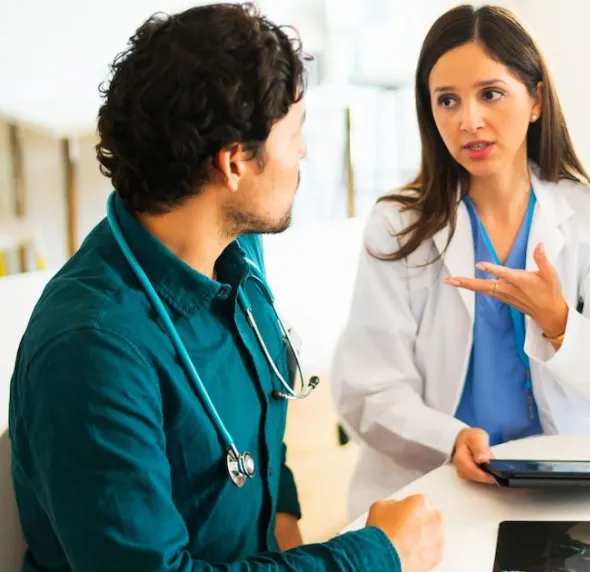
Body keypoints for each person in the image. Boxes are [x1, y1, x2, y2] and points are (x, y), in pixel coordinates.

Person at [7, 4, 442, 571]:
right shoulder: (92, 351)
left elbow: (260, 440)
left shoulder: (236, 253)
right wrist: (376, 555)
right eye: (295, 133)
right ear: (234, 163)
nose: (304, 152)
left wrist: (288, 536)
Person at [331, 3, 590, 518]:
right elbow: (369, 391)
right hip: (430, 481)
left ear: (536, 100)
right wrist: (450, 438)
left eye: (491, 94)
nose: (469, 121)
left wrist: (559, 322)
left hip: (556, 484)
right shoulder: (397, 227)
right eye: (447, 100)